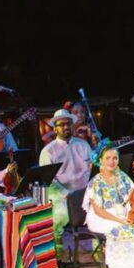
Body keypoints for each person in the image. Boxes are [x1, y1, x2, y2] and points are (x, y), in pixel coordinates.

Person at [82, 145, 134, 268]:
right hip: (101, 218)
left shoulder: (122, 176)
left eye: (115, 158)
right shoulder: (95, 182)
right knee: (122, 230)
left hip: (121, 215)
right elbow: (99, 211)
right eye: (108, 158)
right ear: (100, 160)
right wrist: (120, 221)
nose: (112, 162)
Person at [39, 108, 93, 259]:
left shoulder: (83, 145)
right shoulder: (48, 151)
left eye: (68, 123)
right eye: (61, 124)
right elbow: (48, 181)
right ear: (55, 128)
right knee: (59, 216)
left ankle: (99, 250)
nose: (65, 127)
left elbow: (92, 169)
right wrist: (67, 195)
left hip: (85, 192)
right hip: (63, 195)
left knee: (103, 210)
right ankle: (57, 254)